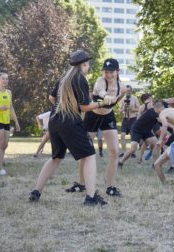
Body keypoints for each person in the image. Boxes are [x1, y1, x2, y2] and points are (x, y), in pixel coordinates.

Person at [29, 50, 107, 206]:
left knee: (55, 158)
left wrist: (63, 107)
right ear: (84, 64)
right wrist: (102, 103)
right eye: (88, 64)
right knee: (90, 155)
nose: (89, 66)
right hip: (70, 122)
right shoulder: (81, 79)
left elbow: (51, 98)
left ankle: (36, 191)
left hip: (54, 121)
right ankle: (90, 198)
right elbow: (84, 107)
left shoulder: (64, 79)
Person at [83, 58, 126, 196]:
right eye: (106, 72)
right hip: (93, 116)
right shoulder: (100, 81)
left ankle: (110, 187)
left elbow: (117, 101)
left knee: (114, 152)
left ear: (117, 71)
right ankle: (81, 183)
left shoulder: (121, 85)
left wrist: (122, 100)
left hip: (107, 116)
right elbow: (100, 91)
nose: (108, 75)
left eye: (111, 72)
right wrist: (106, 95)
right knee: (86, 152)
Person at [119, 85, 139, 157]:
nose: (128, 92)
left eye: (129, 90)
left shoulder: (135, 98)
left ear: (131, 91)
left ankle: (133, 152)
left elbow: (138, 109)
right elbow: (120, 111)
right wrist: (124, 108)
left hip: (133, 118)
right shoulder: (122, 99)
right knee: (122, 135)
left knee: (132, 136)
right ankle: (123, 152)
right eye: (127, 90)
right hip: (125, 119)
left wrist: (131, 109)